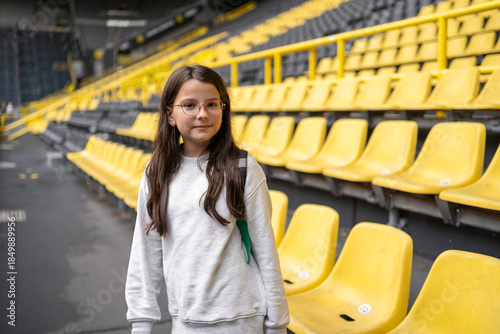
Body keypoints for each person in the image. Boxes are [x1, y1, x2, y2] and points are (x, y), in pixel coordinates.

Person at [125, 64, 289, 334]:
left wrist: (277, 324)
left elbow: (265, 250)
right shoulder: (156, 173)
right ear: (170, 115)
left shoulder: (243, 167)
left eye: (212, 104)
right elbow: (145, 253)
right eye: (189, 105)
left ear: (223, 110)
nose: (202, 114)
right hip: (186, 321)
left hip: (243, 319)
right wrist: (141, 323)